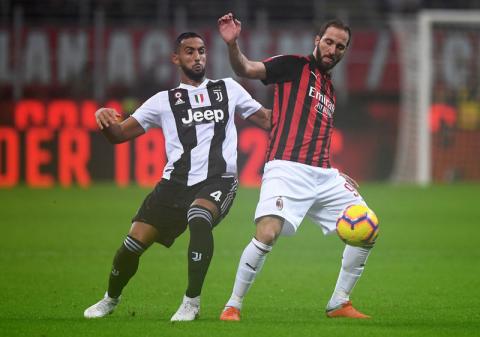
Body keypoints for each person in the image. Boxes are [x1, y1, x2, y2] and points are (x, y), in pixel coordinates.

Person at [83, 32, 271, 321]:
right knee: (131, 246)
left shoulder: (228, 89)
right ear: (176, 58)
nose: (198, 57)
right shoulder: (162, 101)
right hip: (174, 184)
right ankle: (110, 299)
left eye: (202, 51)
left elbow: (267, 120)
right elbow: (118, 135)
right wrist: (104, 118)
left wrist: (301, 114)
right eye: (190, 51)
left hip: (218, 180)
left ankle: (191, 302)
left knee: (199, 217)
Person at [217, 13, 377, 321]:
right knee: (267, 233)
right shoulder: (294, 66)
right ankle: (233, 304)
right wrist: (232, 44)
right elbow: (246, 69)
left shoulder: (330, 91)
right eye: (328, 42)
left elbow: (314, 135)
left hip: (323, 174)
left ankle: (339, 302)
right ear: (317, 41)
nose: (333, 50)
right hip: (286, 169)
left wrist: (333, 170)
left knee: (367, 227)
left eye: (340, 47)